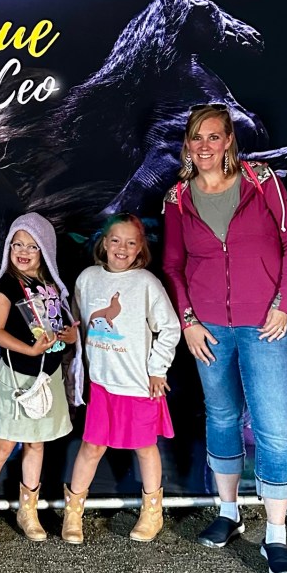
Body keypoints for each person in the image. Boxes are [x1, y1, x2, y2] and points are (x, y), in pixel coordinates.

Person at [162, 103, 287, 573]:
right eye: (196, 137)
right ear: (187, 144)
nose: (204, 146)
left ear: (228, 141)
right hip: (209, 328)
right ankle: (229, 514)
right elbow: (173, 265)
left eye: (213, 136)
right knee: (222, 416)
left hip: (266, 323)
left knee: (272, 426)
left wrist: (284, 305)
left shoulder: (262, 182)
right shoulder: (177, 197)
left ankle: (275, 536)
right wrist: (188, 320)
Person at [0, 213, 84, 546]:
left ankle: (28, 512)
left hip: (48, 377)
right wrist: (29, 350)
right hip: (16, 379)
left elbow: (62, 331)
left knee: (36, 443)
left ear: (45, 249)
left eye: (32, 246)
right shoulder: (5, 287)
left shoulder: (52, 288)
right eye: (17, 244)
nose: (23, 252)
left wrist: (69, 336)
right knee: (3, 444)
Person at [63, 213, 180, 544]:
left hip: (137, 384)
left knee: (145, 447)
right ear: (104, 243)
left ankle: (152, 513)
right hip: (101, 384)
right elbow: (77, 324)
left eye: (131, 242)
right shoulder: (87, 279)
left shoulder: (146, 283)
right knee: (91, 446)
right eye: (116, 240)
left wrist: (158, 369)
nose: (122, 248)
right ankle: (73, 513)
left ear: (140, 247)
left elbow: (169, 327)